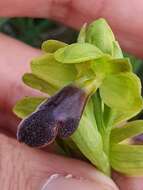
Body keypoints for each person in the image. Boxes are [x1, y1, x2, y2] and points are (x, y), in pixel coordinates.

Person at [0, 1, 143, 189]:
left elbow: (130, 102)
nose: (87, 75)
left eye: (90, 72)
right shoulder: (72, 80)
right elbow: (41, 68)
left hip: (109, 144)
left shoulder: (118, 88)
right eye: (85, 70)